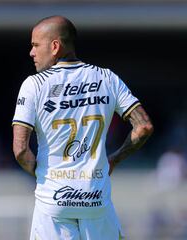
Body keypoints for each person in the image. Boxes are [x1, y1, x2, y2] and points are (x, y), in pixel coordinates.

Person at [12, 16, 153, 240]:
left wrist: (42, 175)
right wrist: (114, 159)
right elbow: (143, 126)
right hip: (96, 199)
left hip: (53, 202)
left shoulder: (34, 85)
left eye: (35, 45)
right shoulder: (107, 78)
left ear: (55, 46)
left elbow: (20, 149)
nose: (31, 52)